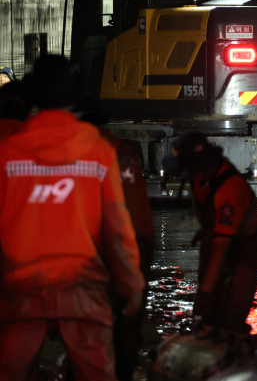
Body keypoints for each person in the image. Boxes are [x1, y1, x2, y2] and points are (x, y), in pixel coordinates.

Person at [0, 55, 144, 381]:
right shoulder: (98, 150)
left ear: (33, 96)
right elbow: (117, 229)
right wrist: (131, 283)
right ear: (76, 94)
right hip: (82, 288)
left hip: (21, 290)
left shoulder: (8, 151)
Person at [162, 132, 257, 336]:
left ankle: (234, 339)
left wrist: (204, 294)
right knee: (209, 307)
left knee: (234, 308)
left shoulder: (229, 188)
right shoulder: (199, 177)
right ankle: (206, 331)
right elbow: (204, 208)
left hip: (250, 245)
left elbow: (221, 249)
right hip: (217, 235)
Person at [78, 102, 154, 381]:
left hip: (103, 259)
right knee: (123, 333)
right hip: (128, 254)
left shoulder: (84, 154)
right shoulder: (121, 155)